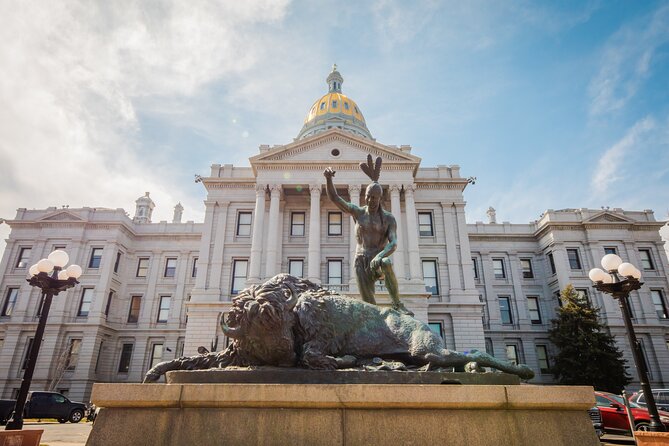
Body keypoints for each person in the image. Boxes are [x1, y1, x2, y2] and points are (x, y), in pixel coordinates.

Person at [324, 156, 413, 316]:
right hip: (361, 261)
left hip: (377, 260)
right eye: (368, 196)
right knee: (370, 308)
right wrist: (329, 179)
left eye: (374, 197)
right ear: (365, 195)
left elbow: (393, 243)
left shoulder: (388, 218)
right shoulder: (358, 212)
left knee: (386, 262)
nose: (371, 200)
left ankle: (397, 303)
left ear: (380, 198)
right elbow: (335, 199)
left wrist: (379, 256)